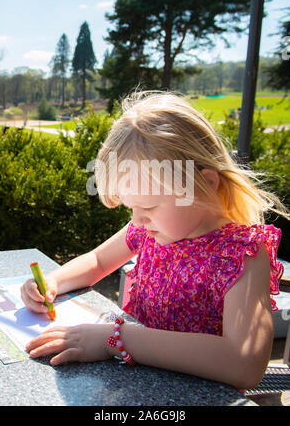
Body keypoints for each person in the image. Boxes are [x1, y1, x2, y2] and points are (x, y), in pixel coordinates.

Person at [21, 91, 289, 390]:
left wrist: (116, 339)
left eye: (148, 206)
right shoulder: (151, 230)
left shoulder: (242, 255)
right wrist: (52, 282)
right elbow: (97, 261)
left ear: (204, 186)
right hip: (137, 386)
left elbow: (244, 363)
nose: (136, 220)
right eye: (130, 207)